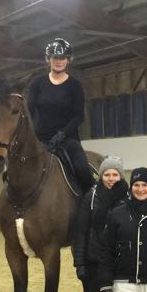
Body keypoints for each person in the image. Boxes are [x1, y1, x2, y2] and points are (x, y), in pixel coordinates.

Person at [73, 155, 128, 292]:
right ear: (101, 175)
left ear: (121, 176)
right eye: (107, 174)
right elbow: (81, 232)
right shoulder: (91, 197)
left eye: (115, 174)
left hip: (122, 263)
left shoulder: (129, 196)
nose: (111, 178)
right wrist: (80, 262)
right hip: (96, 263)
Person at [25, 38, 95, 195]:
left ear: (68, 60)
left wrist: (62, 134)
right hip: (41, 139)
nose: (58, 61)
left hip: (67, 140)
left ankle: (91, 198)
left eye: (62, 58)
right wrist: (33, 135)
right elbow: (29, 111)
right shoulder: (37, 84)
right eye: (55, 57)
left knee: (82, 168)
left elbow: (78, 116)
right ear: (48, 59)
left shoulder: (75, 86)